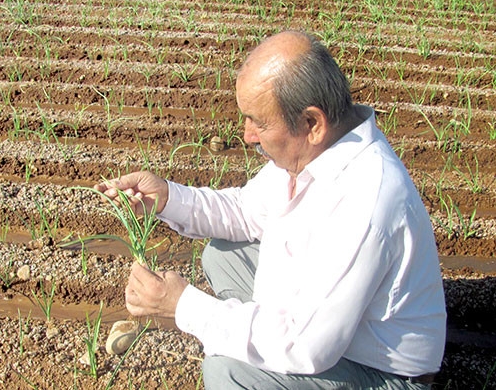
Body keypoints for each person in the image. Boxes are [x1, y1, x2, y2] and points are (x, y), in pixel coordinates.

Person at [94, 30, 446, 389]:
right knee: (224, 255)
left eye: (258, 122)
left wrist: (183, 305)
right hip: (333, 334)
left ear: (312, 123)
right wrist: (167, 197)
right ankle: (255, 341)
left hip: (378, 371)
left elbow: (305, 346)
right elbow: (244, 211)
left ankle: (255, 357)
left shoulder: (365, 201)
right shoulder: (316, 150)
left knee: (228, 372)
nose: (247, 135)